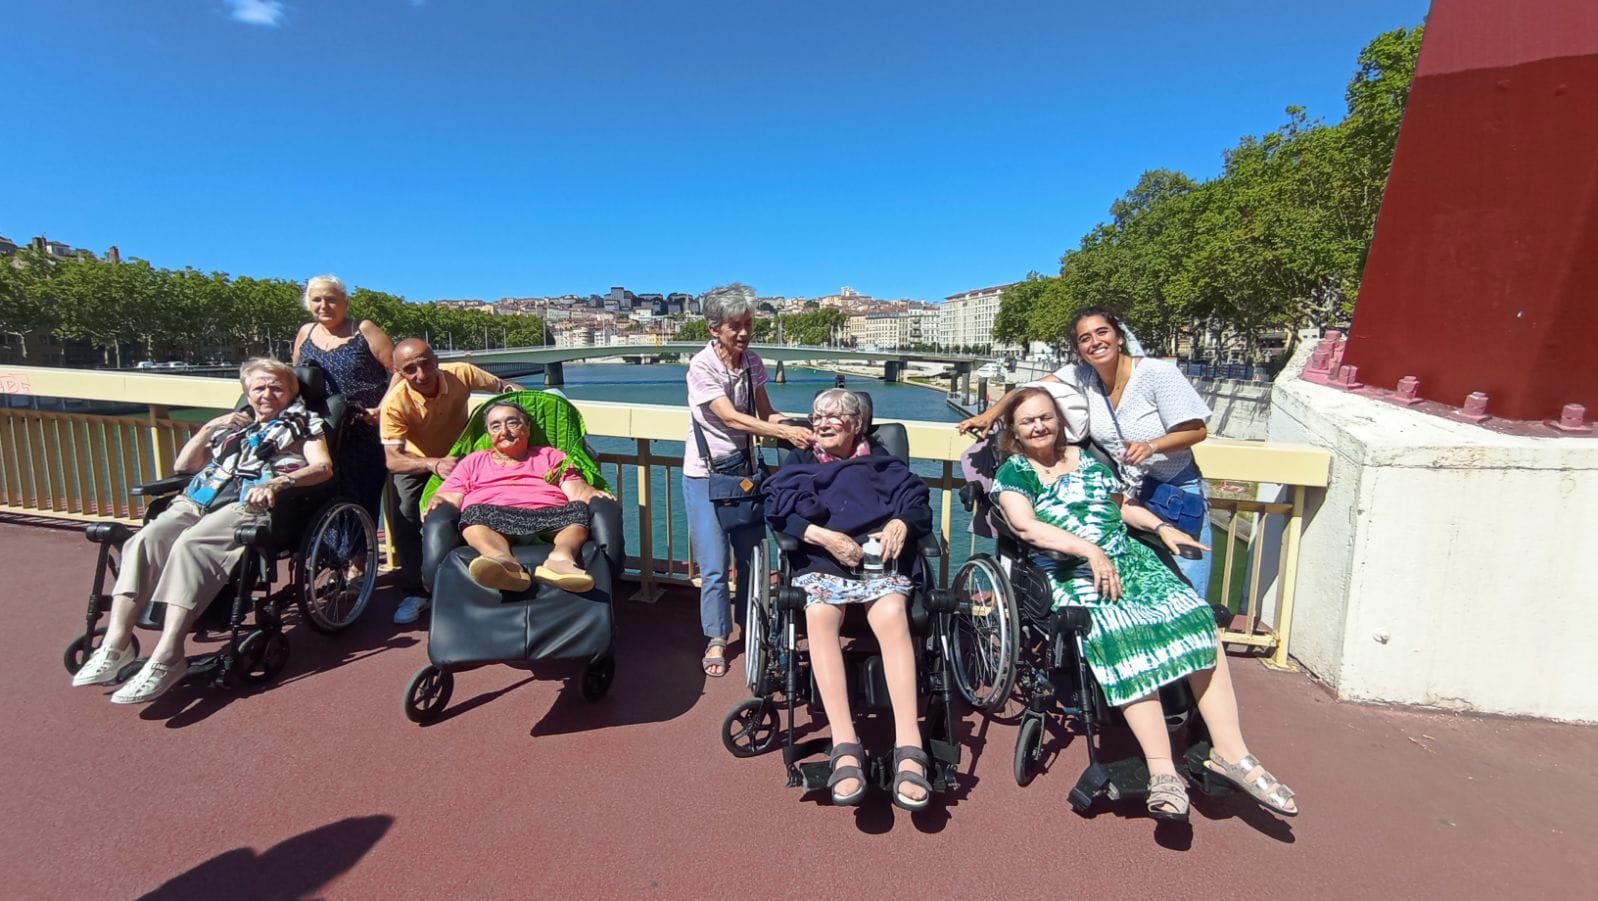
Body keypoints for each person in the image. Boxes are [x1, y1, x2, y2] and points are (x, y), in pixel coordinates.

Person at [990, 387, 1297, 821]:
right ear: (1015, 431)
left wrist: (1162, 528)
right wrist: (1089, 551)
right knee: (1124, 634)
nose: (1039, 426)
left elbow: (1124, 509)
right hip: (1069, 569)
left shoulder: (1087, 461)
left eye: (1045, 417)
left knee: (1198, 620)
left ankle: (1231, 752)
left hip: (1128, 559)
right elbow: (1025, 527)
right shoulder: (1016, 472)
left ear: (1058, 419)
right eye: (1028, 421)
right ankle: (1162, 771)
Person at [72, 359, 333, 704]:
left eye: (276, 388)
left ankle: (169, 655)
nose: (267, 394)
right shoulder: (233, 427)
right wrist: (209, 427)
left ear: (291, 392)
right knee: (144, 541)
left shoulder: (304, 424)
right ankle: (116, 644)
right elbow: (184, 466)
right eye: (259, 388)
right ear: (247, 393)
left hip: (249, 502)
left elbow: (323, 467)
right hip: (199, 498)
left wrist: (280, 482)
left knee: (190, 545)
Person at [959, 306, 1215, 596]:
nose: (1095, 342)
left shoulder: (1157, 373)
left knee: (1188, 589)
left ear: (1119, 337)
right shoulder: (1083, 376)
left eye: (1102, 332)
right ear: (1079, 349)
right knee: (1137, 586)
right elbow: (1025, 391)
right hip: (1126, 496)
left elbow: (1197, 430)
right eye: (1085, 338)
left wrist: (1152, 445)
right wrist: (990, 415)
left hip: (1173, 492)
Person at [762, 389, 935, 811]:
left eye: (833, 417)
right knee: (820, 614)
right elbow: (777, 511)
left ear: (857, 425)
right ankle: (845, 745)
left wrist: (900, 523)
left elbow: (916, 503)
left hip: (877, 556)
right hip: (825, 555)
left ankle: (909, 744)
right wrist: (823, 537)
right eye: (816, 416)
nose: (821, 423)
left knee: (892, 612)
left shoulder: (884, 463)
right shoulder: (800, 461)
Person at [681, 283, 812, 677]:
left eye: (748, 325)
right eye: (735, 326)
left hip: (745, 473)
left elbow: (764, 411)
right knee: (715, 565)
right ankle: (717, 637)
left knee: (752, 560)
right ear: (714, 329)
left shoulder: (752, 361)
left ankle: (752, 625)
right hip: (705, 475)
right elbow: (731, 418)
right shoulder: (702, 367)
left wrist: (805, 426)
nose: (743, 333)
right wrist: (783, 433)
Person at [380, 338, 523, 623]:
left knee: (481, 506)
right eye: (410, 370)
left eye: (426, 364)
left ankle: (479, 575)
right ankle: (416, 590)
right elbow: (393, 460)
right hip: (417, 462)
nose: (421, 375)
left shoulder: (462, 373)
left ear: (436, 360)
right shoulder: (395, 404)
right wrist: (432, 464)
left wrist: (522, 399)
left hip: (461, 458)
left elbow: (504, 387)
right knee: (407, 515)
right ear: (397, 371)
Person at [425, 401, 612, 593]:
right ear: (489, 434)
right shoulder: (473, 461)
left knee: (578, 511)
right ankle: (503, 563)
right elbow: (451, 495)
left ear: (528, 428)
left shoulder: (551, 456)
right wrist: (440, 499)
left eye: (512, 423)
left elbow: (576, 490)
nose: (504, 431)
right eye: (495, 426)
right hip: (492, 518)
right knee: (472, 514)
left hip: (548, 515)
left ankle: (560, 560)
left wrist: (591, 493)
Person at [291, 274, 394, 578]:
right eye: (317, 299)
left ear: (345, 303)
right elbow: (295, 377)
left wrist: (382, 409)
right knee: (323, 495)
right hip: (321, 430)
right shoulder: (306, 333)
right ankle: (332, 561)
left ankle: (358, 567)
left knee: (360, 495)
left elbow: (399, 370)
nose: (324, 305)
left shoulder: (364, 330)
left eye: (331, 299)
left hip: (362, 431)